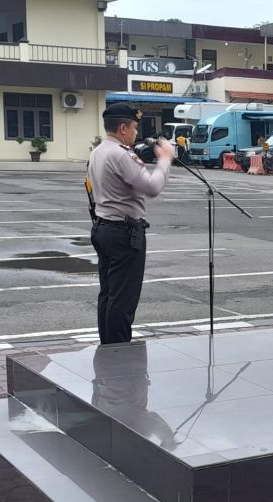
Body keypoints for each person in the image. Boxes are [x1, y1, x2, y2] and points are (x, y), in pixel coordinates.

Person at [88, 103, 172, 344]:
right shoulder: (120, 154)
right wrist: (165, 160)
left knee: (109, 294)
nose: (136, 133)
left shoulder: (99, 151)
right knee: (123, 301)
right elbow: (152, 187)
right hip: (123, 233)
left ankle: (108, 347)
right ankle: (119, 355)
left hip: (105, 227)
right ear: (123, 128)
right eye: (134, 127)